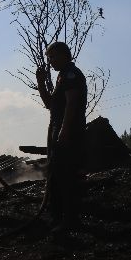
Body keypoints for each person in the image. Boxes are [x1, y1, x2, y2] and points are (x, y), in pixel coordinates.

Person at [36, 41, 88, 233]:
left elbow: (72, 104)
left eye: (53, 57)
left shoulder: (71, 74)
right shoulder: (60, 77)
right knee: (56, 174)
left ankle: (71, 219)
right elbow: (50, 104)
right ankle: (58, 217)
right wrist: (41, 83)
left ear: (65, 55)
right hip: (58, 127)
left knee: (66, 175)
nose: (50, 61)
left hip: (69, 130)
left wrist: (64, 130)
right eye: (49, 58)